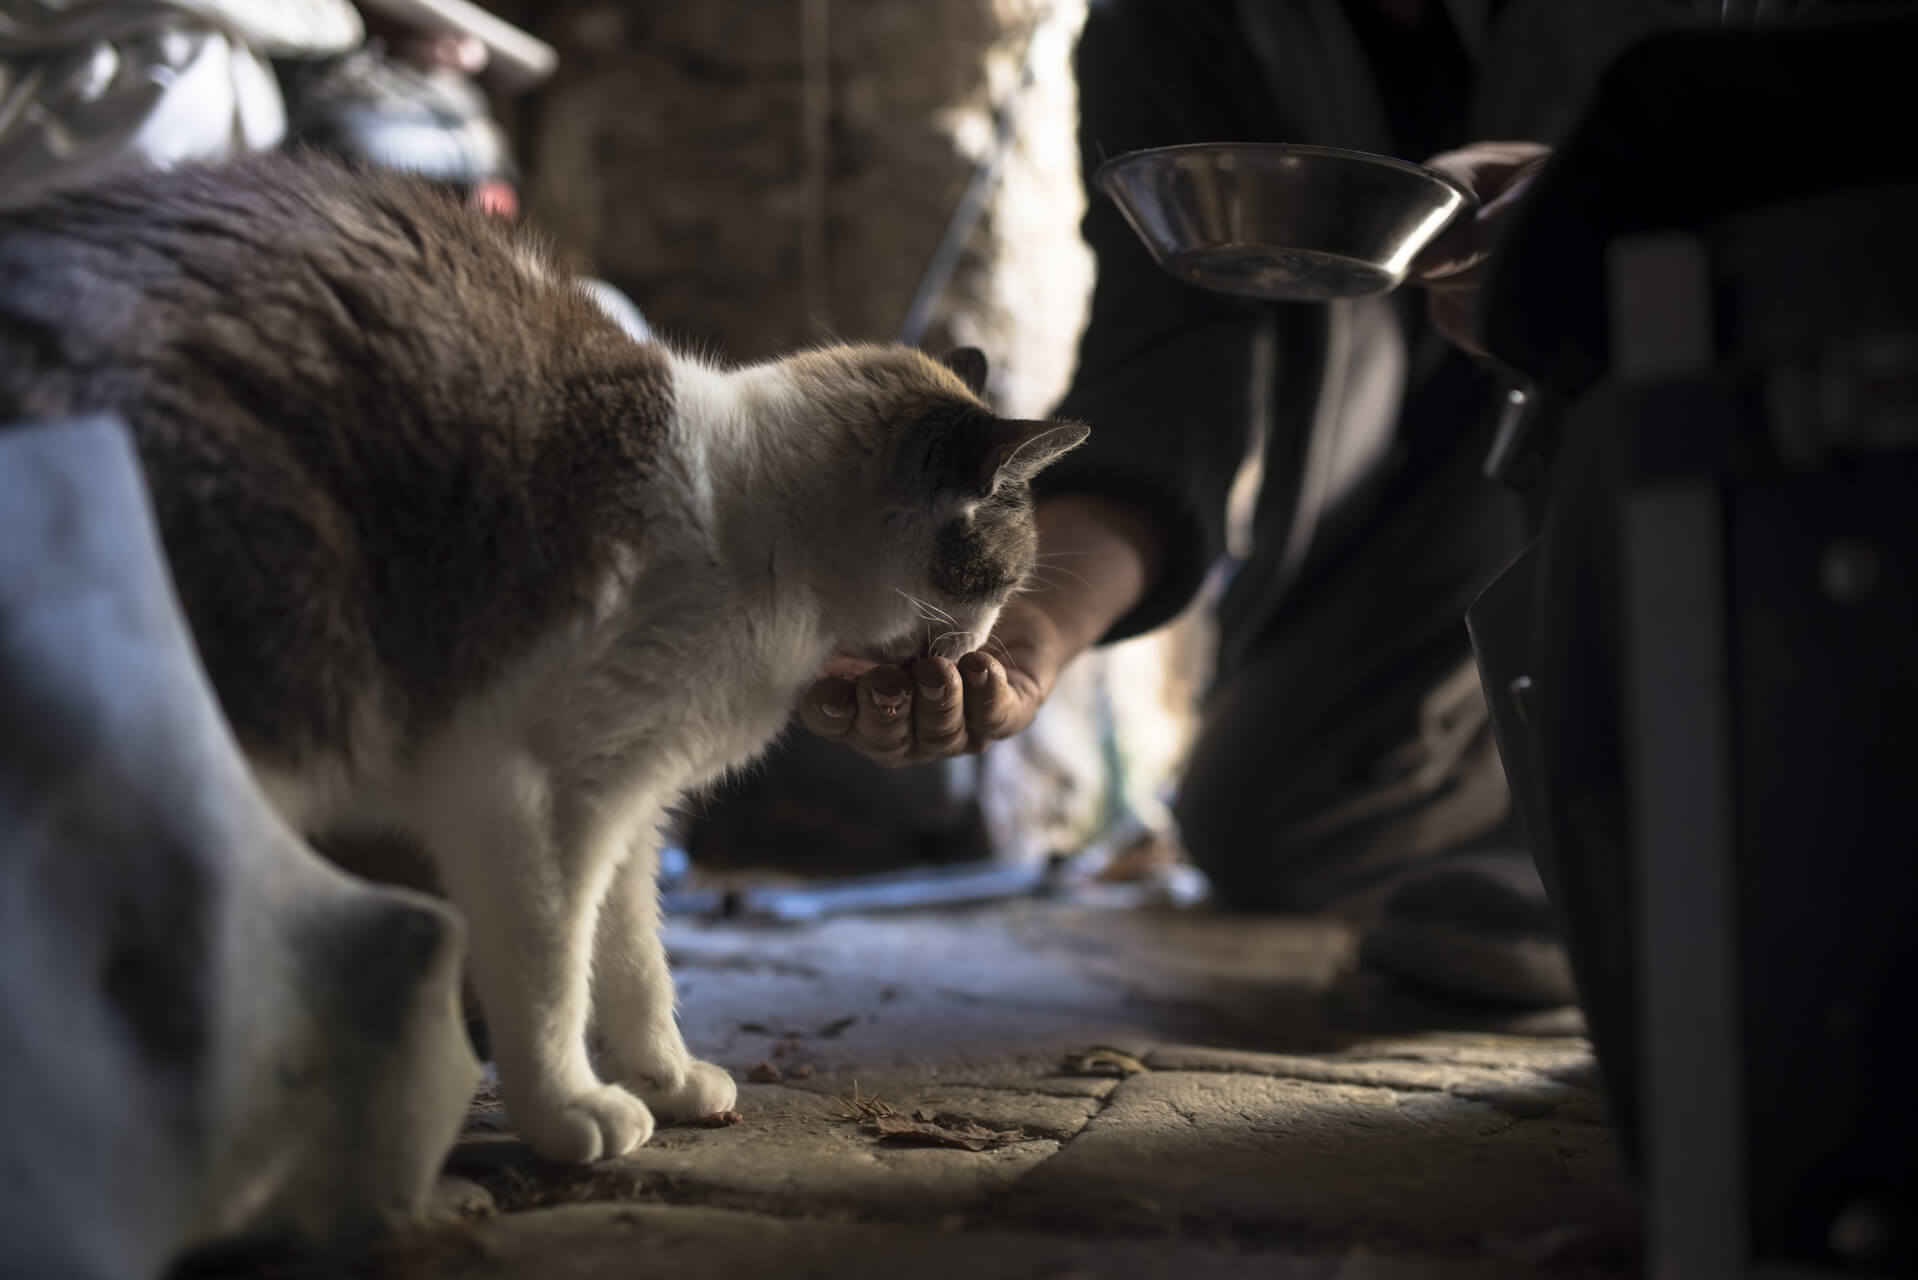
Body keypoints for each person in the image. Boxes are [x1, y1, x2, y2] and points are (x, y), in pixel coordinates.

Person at [800, 0, 1698, 1008]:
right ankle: (1548, 789)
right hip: (1427, 502)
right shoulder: (1183, 28)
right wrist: (1024, 640)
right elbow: (1165, 393)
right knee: (1265, 819)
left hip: (1679, 427)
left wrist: (1590, 217)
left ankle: (1643, 834)